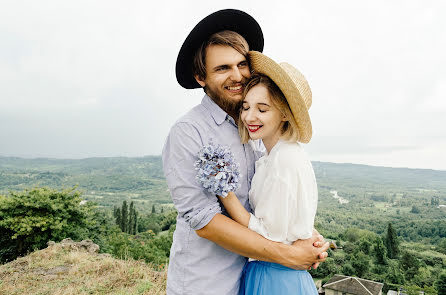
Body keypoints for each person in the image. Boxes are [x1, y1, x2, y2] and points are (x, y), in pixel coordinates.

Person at [162, 9, 329, 295]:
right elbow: (206, 222)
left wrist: (303, 234)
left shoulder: (253, 126)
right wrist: (287, 254)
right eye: (223, 68)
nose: (237, 75)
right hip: (206, 284)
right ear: (201, 78)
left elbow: (268, 203)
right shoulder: (189, 131)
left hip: (252, 277)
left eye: (241, 64)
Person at [215, 51, 319, 294]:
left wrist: (225, 194)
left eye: (262, 109)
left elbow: (268, 235)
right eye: (246, 107)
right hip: (272, 271)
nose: (249, 117)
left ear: (284, 114)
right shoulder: (271, 156)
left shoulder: (284, 159)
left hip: (277, 277)